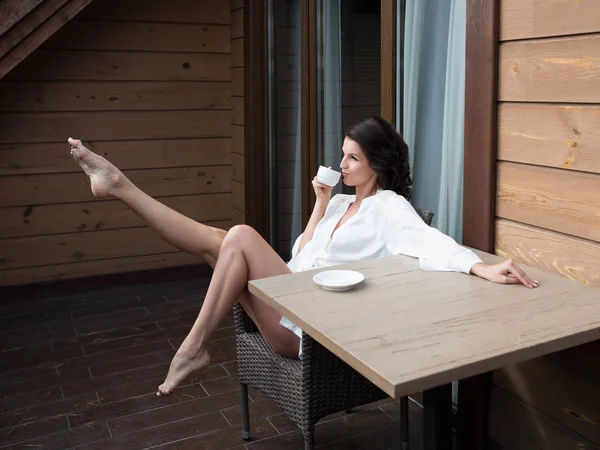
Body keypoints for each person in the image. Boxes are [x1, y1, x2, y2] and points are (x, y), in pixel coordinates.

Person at [68, 116, 537, 396]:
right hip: (289, 298)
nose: (343, 165)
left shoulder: (389, 208)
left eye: (352, 158)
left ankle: (192, 348)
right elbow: (301, 255)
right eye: (343, 155)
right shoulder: (336, 203)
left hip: (306, 330)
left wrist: (480, 266)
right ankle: (121, 187)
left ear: (377, 162)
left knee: (240, 235)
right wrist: (318, 206)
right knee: (219, 238)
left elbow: (430, 241)